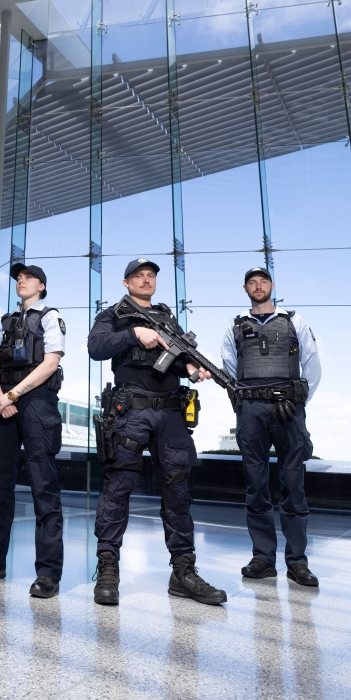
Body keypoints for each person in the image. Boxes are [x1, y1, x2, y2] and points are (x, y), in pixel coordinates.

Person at [87, 258, 227, 607]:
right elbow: (95, 348)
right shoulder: (113, 314)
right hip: (130, 410)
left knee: (178, 493)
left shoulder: (167, 317)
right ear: (126, 282)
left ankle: (183, 572)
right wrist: (134, 333)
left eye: (151, 276)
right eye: (139, 275)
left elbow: (177, 359)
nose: (146, 280)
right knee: (117, 488)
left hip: (171, 413)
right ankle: (108, 569)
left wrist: (192, 366)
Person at [0, 262, 66, 599]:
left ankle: (48, 573)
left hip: (36, 402)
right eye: (18, 278)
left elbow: (51, 362)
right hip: (2, 403)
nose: (21, 281)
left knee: (42, 487)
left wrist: (13, 395)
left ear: (42, 286)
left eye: (29, 277)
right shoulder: (4, 322)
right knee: (0, 485)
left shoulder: (50, 316)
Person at [220, 267, 321, 587]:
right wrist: (243, 406)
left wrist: (300, 399)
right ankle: (263, 558)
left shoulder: (295, 321)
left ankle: (297, 561)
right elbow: (229, 371)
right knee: (256, 484)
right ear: (245, 288)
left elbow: (312, 364)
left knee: (294, 483)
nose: (258, 286)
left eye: (263, 281)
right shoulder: (234, 327)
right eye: (252, 282)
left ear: (272, 286)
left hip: (288, 409)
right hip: (251, 410)